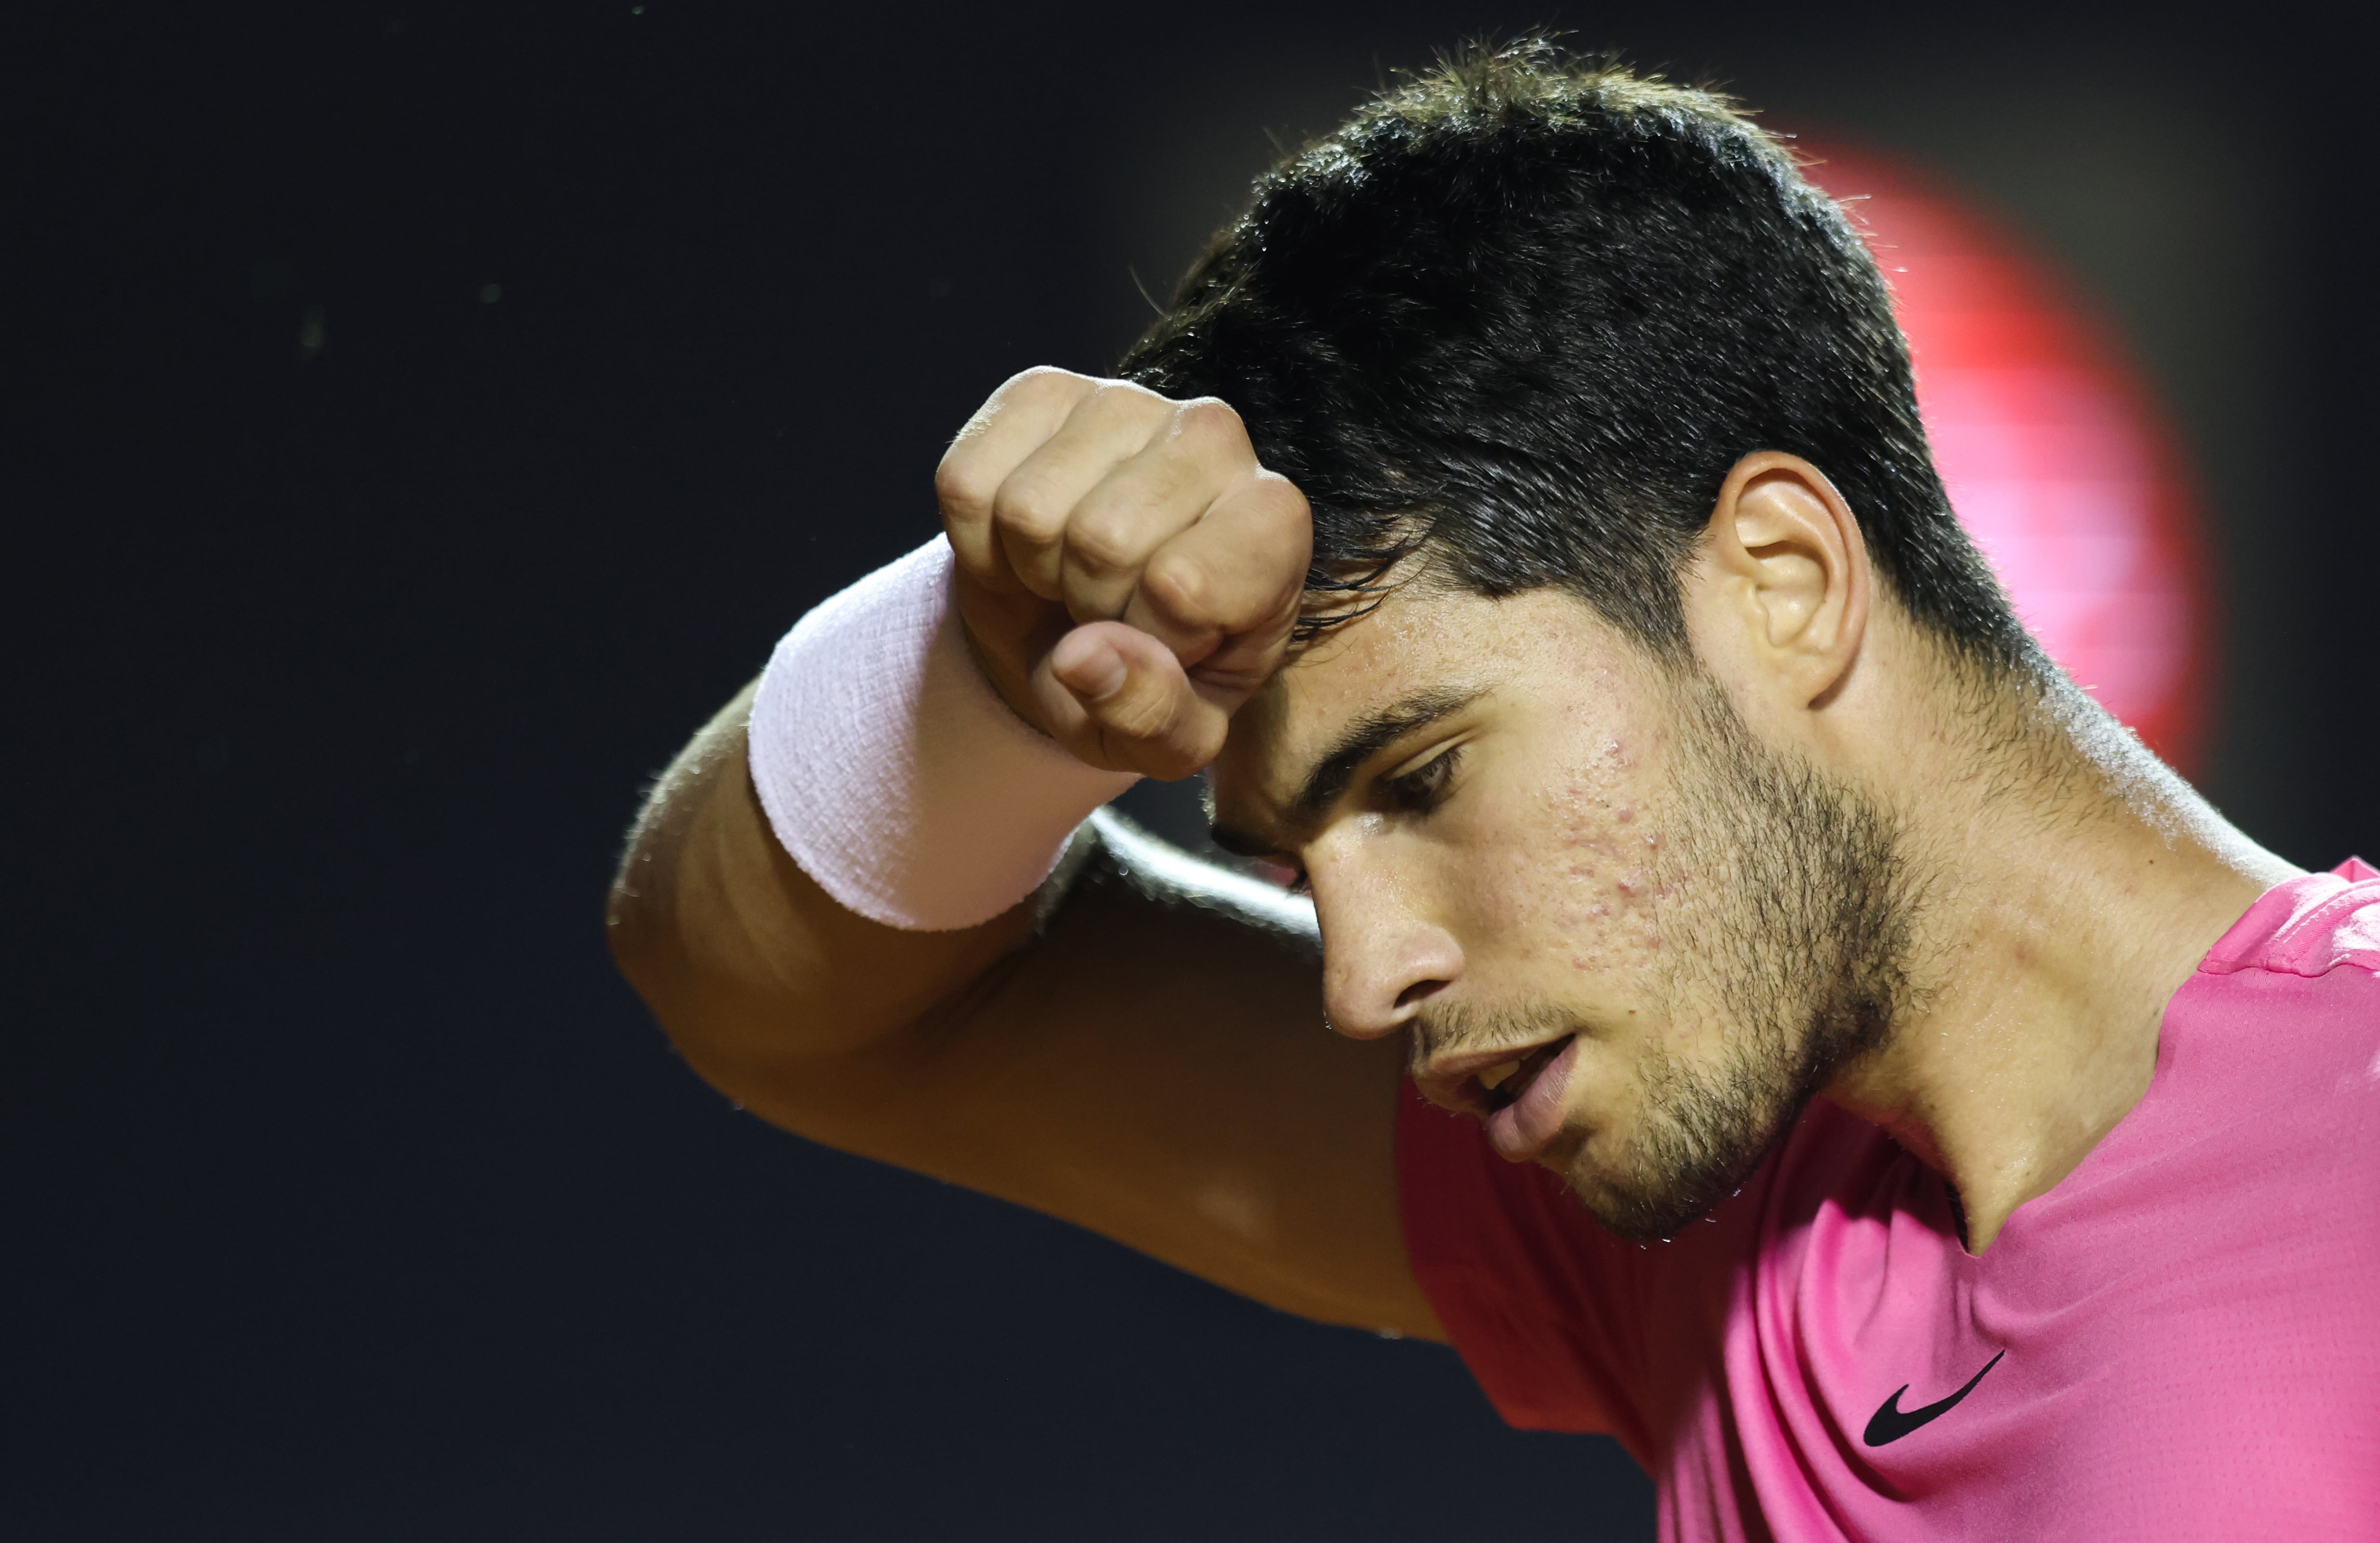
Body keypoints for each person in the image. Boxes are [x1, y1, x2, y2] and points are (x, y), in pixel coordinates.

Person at [607, 40, 2380, 1539]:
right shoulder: (1722, 1196)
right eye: (1302, 860)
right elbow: (787, 1000)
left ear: (1780, 578)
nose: (1361, 975)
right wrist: (992, 680)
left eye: (1423, 774)